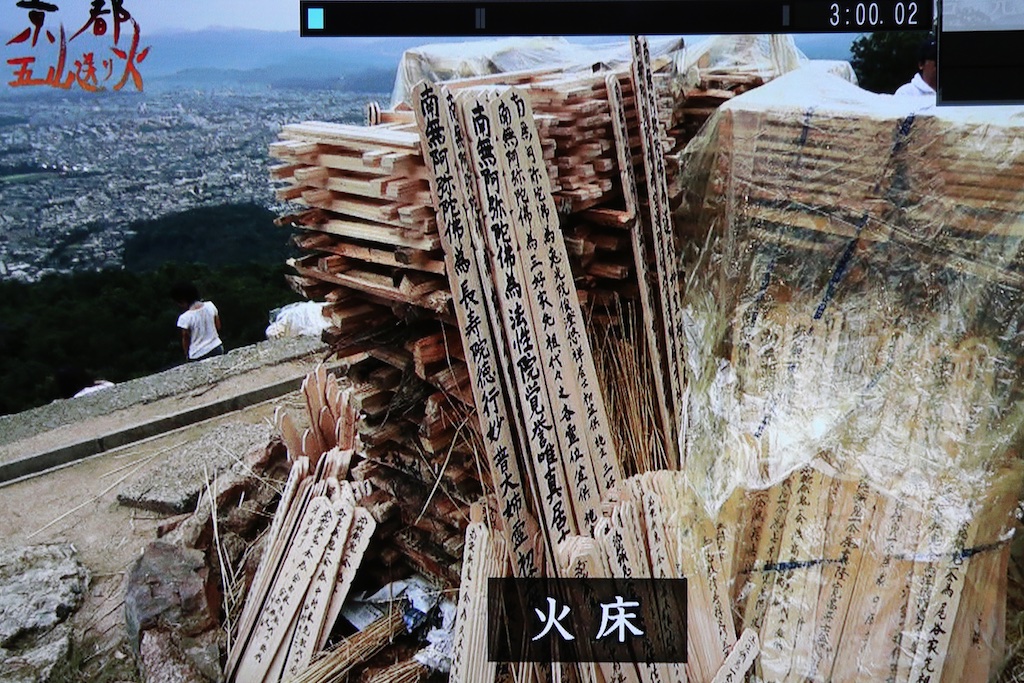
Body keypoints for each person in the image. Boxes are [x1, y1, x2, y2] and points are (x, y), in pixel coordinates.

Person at [171, 281, 224, 361]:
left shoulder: (185, 318)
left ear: (182, 301)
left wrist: (186, 355)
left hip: (197, 354)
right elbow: (218, 326)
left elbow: (185, 339)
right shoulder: (210, 305)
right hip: (216, 347)